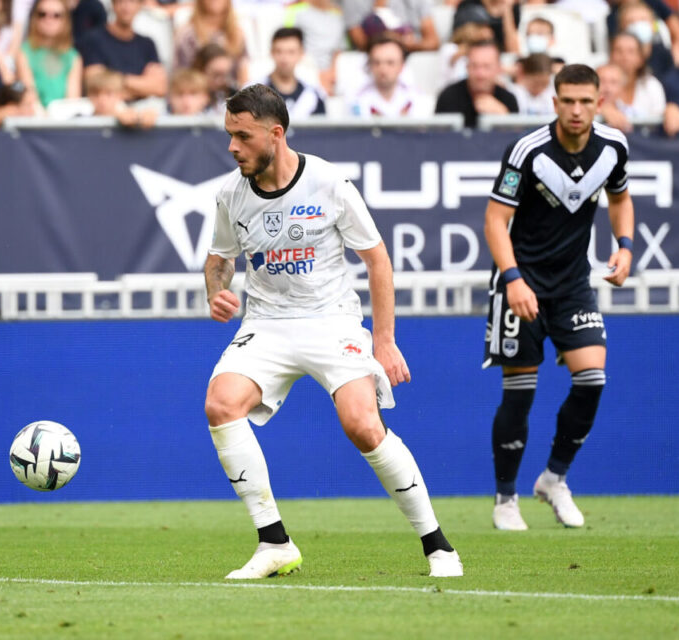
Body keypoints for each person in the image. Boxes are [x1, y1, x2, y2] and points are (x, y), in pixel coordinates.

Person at [204, 83, 463, 580]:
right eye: (229, 135)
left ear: (275, 135)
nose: (232, 147)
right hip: (267, 324)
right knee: (220, 402)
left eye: (242, 136)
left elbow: (377, 259)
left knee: (362, 424)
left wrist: (384, 340)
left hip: (331, 321)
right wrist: (216, 291)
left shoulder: (328, 183)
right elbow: (219, 260)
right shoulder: (230, 195)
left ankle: (438, 547)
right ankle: (273, 543)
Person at [483, 64, 634, 531]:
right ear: (554, 103)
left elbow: (620, 198)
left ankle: (554, 478)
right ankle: (505, 499)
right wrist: (512, 279)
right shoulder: (527, 151)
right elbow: (494, 220)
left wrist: (625, 248)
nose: (576, 110)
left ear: (598, 102)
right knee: (520, 394)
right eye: (567, 100)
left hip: (573, 285)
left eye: (585, 101)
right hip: (520, 283)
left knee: (592, 380)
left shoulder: (613, 148)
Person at [78, 0, 167, 101]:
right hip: (107, 112)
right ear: (113, 5)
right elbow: (94, 82)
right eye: (121, 1)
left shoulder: (147, 44)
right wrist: (143, 87)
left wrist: (117, 82)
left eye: (132, 2)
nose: (126, 6)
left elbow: (160, 87)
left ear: (140, 5)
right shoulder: (94, 40)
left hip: (143, 111)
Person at [435, 39, 519, 128]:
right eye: (474, 66)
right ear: (466, 67)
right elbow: (438, 136)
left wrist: (504, 117)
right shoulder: (448, 97)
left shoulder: (508, 100)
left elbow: (517, 138)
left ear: (499, 68)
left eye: (486, 67)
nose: (480, 74)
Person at [16, 0, 82, 108]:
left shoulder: (73, 57)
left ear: (65, 20)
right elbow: (30, 97)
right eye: (42, 14)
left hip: (65, 120)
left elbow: (72, 102)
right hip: (34, 119)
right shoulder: (24, 52)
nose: (48, 20)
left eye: (56, 15)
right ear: (34, 18)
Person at [349, 34, 428, 117]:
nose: (383, 69)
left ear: (401, 66)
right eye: (377, 62)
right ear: (369, 65)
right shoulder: (355, 99)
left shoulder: (417, 97)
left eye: (390, 63)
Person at [174, 0, 248, 87]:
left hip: (231, 95)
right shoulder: (187, 35)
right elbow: (182, 75)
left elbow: (243, 72)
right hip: (198, 93)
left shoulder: (237, 33)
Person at [261, 27, 326, 118]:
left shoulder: (313, 94)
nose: (284, 59)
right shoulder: (253, 93)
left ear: (301, 54)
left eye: (291, 52)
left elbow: (323, 130)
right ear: (271, 52)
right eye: (279, 51)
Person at [282, 0, 345, 95]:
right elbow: (288, 44)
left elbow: (339, 48)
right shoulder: (296, 10)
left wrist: (332, 71)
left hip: (333, 70)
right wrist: (317, 74)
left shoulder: (337, 14)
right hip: (305, 66)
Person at [342, 0, 440, 53]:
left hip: (410, 55)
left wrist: (412, 45)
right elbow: (361, 43)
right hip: (373, 59)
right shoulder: (353, 1)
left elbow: (433, 42)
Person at [609, 31, 667, 118]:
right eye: (618, 50)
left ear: (641, 59)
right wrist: (604, 110)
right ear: (610, 56)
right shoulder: (600, 83)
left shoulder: (651, 85)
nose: (624, 57)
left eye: (631, 51)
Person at [616, 0, 679, 77]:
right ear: (622, 28)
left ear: (653, 26)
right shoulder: (618, 56)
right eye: (631, 21)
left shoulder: (664, 54)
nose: (638, 25)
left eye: (643, 20)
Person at [85, 66, 158, 127]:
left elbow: (143, 115)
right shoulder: (83, 118)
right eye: (95, 94)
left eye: (108, 93)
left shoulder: (129, 112)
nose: (102, 99)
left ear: (120, 95)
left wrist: (146, 117)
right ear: (88, 95)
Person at [453, 0, 520, 54]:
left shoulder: (513, 9)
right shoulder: (469, 5)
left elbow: (514, 51)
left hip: (499, 59)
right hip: (470, 56)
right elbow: (458, 40)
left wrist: (507, 10)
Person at [194, 42, 239, 113]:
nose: (221, 81)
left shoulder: (234, 95)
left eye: (226, 75)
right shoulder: (187, 96)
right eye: (216, 75)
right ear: (200, 70)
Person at [596, 62, 634, 132]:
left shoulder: (633, 113)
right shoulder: (582, 110)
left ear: (622, 88)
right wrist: (601, 108)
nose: (607, 88)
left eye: (613, 82)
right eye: (602, 81)